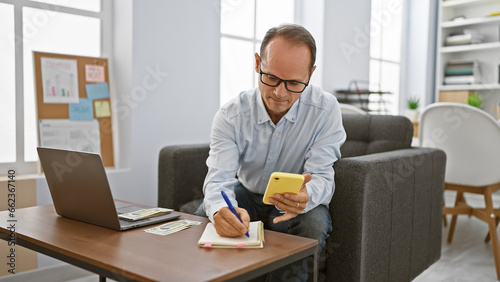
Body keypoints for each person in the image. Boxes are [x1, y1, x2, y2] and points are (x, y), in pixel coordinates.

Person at [196, 23, 346, 281]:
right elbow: (218, 180)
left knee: (314, 223)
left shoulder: (326, 109)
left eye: (294, 83)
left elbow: (322, 176)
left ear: (310, 75)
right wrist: (222, 209)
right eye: (272, 78)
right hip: (247, 192)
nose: (279, 93)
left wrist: (306, 195)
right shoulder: (231, 115)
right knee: (202, 217)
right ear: (257, 63)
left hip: (294, 199)